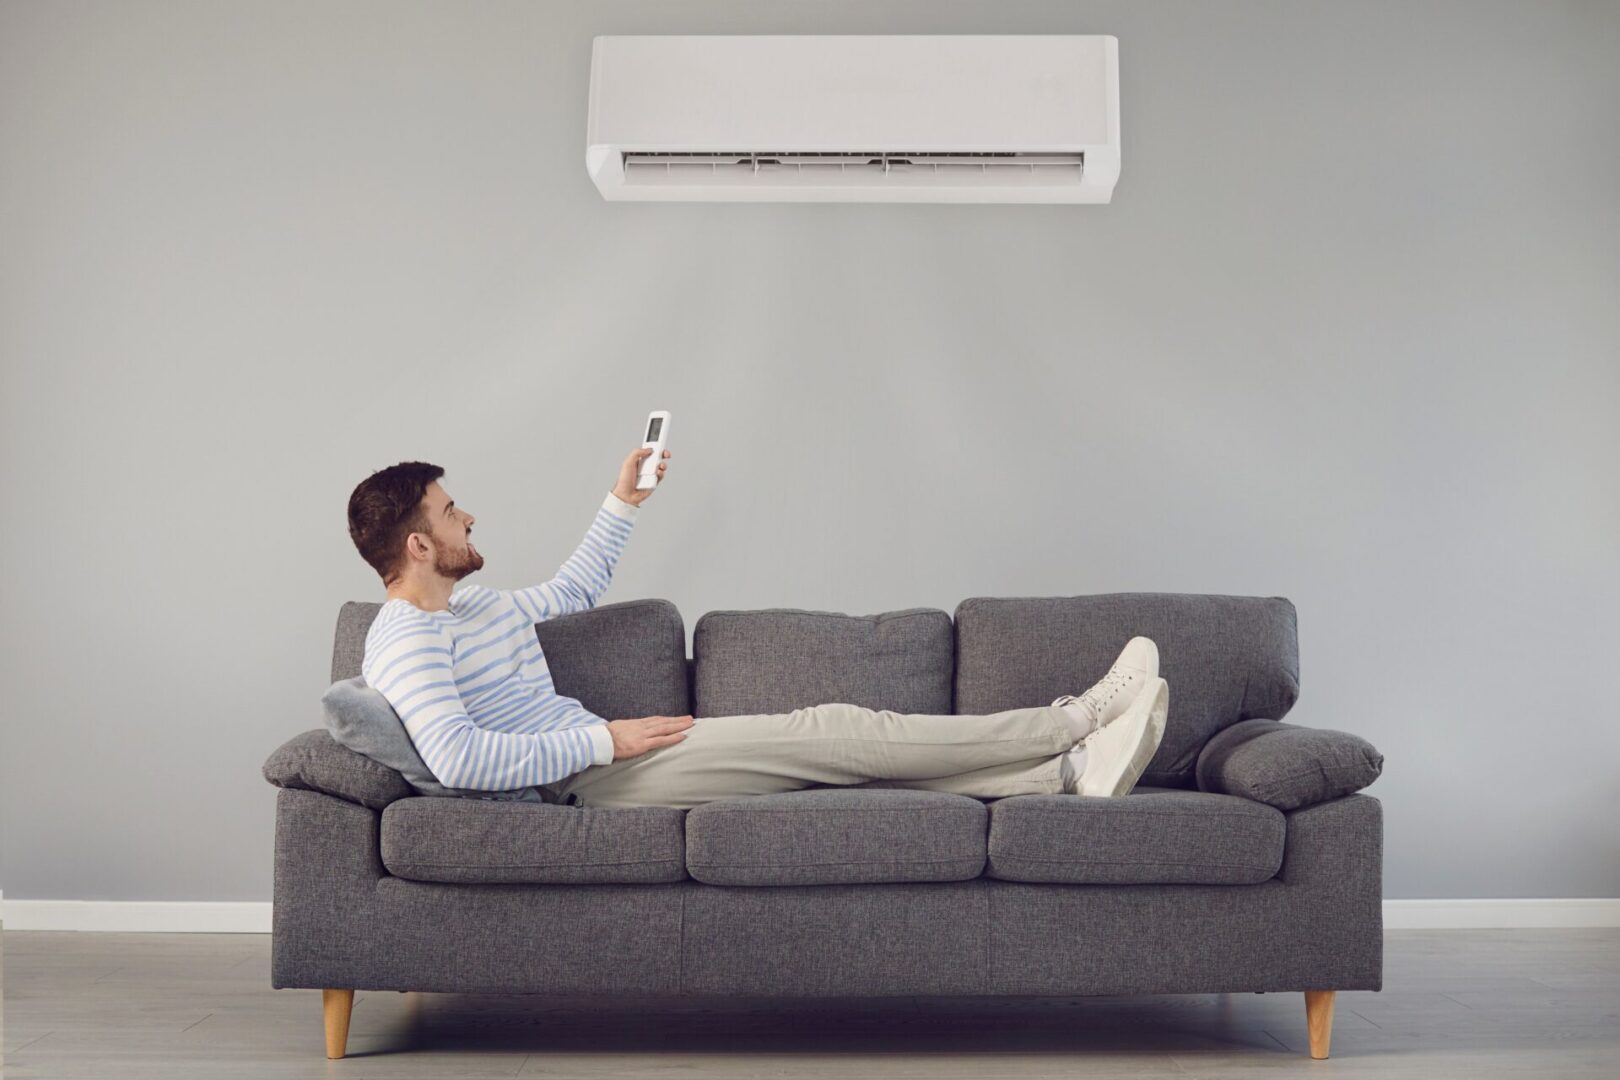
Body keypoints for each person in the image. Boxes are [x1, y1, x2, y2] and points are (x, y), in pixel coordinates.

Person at [345, 450, 1167, 811]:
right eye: (452, 513)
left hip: (604, 757)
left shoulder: (475, 608)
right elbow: (455, 759)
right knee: (837, 731)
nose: (469, 517)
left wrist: (623, 500)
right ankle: (1076, 719)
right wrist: (606, 744)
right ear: (419, 545)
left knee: (832, 768)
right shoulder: (410, 639)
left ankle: (1063, 776)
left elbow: (575, 587)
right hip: (587, 781)